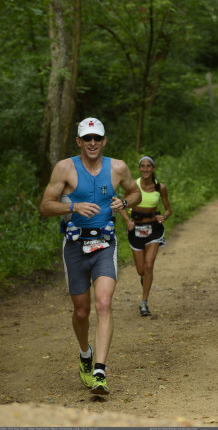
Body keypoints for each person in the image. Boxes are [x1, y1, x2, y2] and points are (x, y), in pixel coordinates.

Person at [40, 117, 141, 395]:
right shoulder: (65, 168)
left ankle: (99, 371)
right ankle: (85, 354)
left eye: (98, 138)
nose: (93, 143)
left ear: (105, 140)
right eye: (87, 138)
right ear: (79, 142)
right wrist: (73, 208)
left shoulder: (118, 167)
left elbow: (135, 194)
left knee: (104, 302)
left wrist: (125, 202)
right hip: (74, 246)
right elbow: (45, 206)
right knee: (82, 310)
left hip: (105, 244)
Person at [120, 155, 172, 316]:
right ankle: (145, 278)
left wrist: (164, 217)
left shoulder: (160, 187)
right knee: (141, 270)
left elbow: (168, 209)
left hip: (153, 229)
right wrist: (128, 221)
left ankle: (144, 303)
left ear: (153, 168)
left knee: (149, 266)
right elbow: (120, 204)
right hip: (136, 229)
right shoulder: (132, 185)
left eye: (148, 166)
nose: (145, 169)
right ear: (139, 169)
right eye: (142, 166)